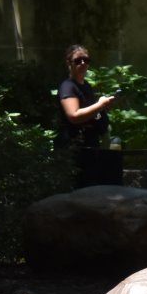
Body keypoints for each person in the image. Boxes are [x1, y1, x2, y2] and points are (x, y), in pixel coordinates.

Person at [56, 44, 118, 187]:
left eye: (86, 60)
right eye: (78, 60)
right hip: (74, 148)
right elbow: (74, 116)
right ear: (69, 63)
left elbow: (90, 113)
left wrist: (103, 108)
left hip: (90, 146)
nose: (83, 63)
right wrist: (100, 105)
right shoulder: (68, 86)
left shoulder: (86, 86)